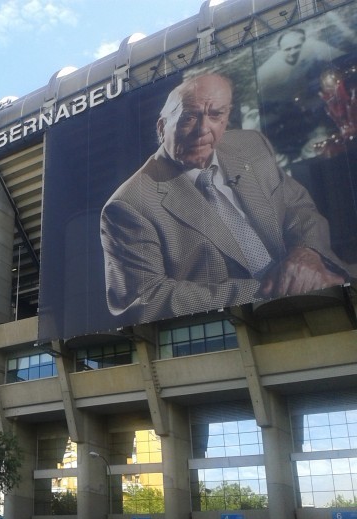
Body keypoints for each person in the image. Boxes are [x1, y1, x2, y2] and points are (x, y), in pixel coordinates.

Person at [99, 73, 352, 327]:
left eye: (216, 115)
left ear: (227, 118)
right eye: (189, 117)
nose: (203, 129)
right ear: (162, 127)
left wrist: (306, 254)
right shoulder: (129, 205)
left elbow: (298, 208)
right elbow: (148, 298)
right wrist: (271, 290)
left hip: (326, 284)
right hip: (238, 327)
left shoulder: (252, 145)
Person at [257, 28, 345, 161]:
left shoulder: (313, 47)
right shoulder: (266, 72)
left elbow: (340, 56)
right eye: (287, 49)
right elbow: (264, 103)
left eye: (297, 47)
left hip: (307, 91)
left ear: (303, 44)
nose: (293, 52)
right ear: (279, 49)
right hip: (280, 103)